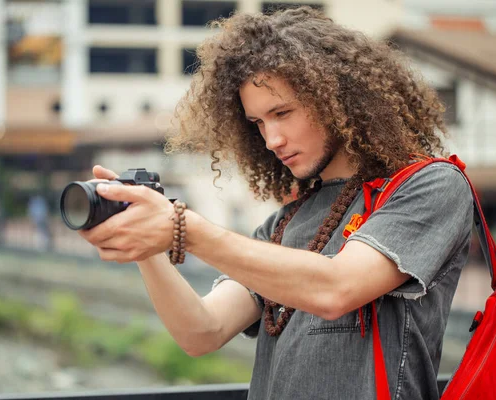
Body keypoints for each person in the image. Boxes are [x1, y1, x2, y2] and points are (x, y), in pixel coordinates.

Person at [79, 7, 473, 400]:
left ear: (337, 97)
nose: (272, 140)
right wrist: (145, 241)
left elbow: (337, 288)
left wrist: (184, 227)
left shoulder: (431, 186)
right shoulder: (284, 224)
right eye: (259, 124)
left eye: (282, 113)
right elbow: (203, 332)